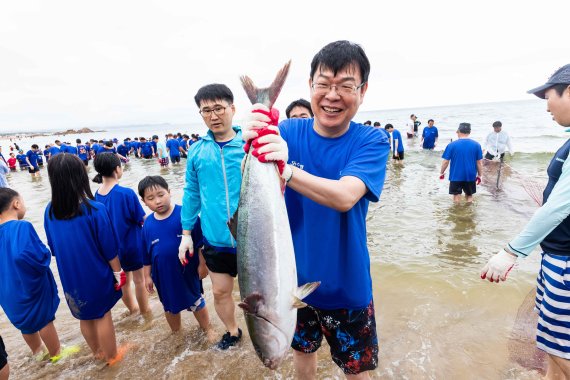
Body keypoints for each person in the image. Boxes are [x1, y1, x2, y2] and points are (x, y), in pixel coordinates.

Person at [243, 40, 389, 378]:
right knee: (301, 360)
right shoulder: (287, 131)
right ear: (310, 86)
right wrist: (250, 139)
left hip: (346, 289)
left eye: (345, 86)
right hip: (288, 289)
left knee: (357, 372)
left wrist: (287, 170)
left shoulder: (371, 141)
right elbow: (251, 192)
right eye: (323, 84)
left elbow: (344, 197)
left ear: (363, 91)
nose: (332, 95)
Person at [481, 63, 570, 379]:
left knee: (563, 350)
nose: (546, 106)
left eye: (549, 96)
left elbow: (558, 208)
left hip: (565, 267)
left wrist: (511, 252)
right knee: (552, 347)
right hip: (556, 260)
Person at [43, 154, 126, 363]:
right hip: (95, 272)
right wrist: (118, 272)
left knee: (85, 314)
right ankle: (112, 356)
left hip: (70, 275)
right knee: (103, 314)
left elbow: (53, 247)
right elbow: (109, 248)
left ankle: (97, 352)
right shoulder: (95, 208)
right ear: (81, 176)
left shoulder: (49, 210)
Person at [179, 83, 244, 350]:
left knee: (261, 294)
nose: (213, 115)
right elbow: (192, 193)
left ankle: (269, 330)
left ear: (232, 108)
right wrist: (185, 234)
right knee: (219, 291)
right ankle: (233, 331)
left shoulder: (249, 145)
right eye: (206, 110)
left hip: (252, 237)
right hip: (216, 236)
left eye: (218, 108)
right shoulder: (197, 151)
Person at [0, 188, 79, 362]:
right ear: (16, 204)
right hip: (29, 285)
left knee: (26, 324)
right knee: (43, 320)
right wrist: (45, 253)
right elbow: (33, 255)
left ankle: (37, 352)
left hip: (7, 290)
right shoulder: (22, 226)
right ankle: (56, 354)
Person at [138, 176, 212, 337]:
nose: (157, 201)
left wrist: (202, 264)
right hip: (162, 275)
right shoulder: (147, 225)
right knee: (169, 305)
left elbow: (200, 243)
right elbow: (145, 255)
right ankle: (176, 333)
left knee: (195, 300)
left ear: (170, 192)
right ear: (144, 202)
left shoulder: (185, 215)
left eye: (161, 194)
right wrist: (147, 277)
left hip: (187, 270)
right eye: (150, 198)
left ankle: (207, 329)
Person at [93, 153, 150, 316]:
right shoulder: (126, 193)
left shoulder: (97, 195)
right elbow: (142, 219)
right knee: (139, 281)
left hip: (112, 250)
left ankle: (133, 310)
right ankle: (146, 313)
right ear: (117, 169)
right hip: (132, 244)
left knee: (124, 281)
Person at [439, 123, 483, 203]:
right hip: (470, 175)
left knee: (456, 196)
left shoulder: (451, 145)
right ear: (469, 132)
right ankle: (469, 213)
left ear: (459, 131)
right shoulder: (477, 145)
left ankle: (457, 213)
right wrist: (479, 175)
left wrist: (441, 172)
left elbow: (445, 162)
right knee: (469, 195)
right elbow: (479, 163)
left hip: (456, 175)